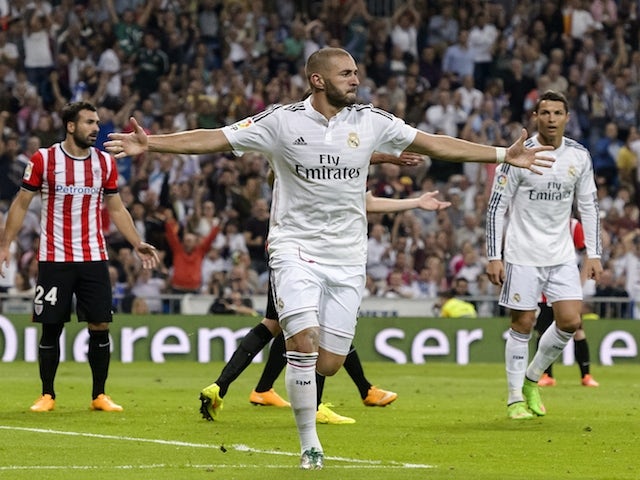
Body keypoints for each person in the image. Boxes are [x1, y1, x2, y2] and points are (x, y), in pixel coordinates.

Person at [106, 47, 553, 469]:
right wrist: (154, 144)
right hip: (294, 248)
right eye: (347, 73)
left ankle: (296, 394)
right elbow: (217, 139)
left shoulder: (371, 121)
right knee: (302, 342)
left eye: (356, 72)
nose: (356, 79)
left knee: (330, 362)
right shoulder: (281, 121)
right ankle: (310, 445)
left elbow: (434, 142)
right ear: (318, 80)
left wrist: (500, 155)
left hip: (347, 256)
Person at [199, 189, 451, 427]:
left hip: (285, 251)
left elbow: (364, 200)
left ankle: (233, 387)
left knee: (277, 324)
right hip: (309, 256)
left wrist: (415, 200)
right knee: (314, 325)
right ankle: (323, 402)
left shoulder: (294, 163)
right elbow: (365, 202)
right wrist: (410, 194)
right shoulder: (326, 165)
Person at [0, 101, 159, 413]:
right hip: (54, 257)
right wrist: (6, 244)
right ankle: (48, 394)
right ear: (70, 126)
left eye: (96, 122)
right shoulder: (44, 159)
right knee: (52, 326)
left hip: (94, 258)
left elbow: (116, 207)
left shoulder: (105, 163)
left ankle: (99, 395)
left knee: (100, 325)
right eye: (89, 122)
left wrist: (136, 241)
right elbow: (20, 203)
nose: (96, 128)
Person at [485, 90, 602, 421]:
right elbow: (496, 206)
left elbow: (589, 206)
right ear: (535, 117)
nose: (551, 118)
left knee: (570, 321)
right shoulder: (519, 154)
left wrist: (594, 253)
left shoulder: (578, 156)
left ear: (567, 117)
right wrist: (494, 255)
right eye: (545, 112)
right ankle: (513, 399)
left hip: (562, 253)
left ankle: (531, 380)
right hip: (522, 253)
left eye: (557, 113)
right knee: (523, 322)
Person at [536, 218, 599, 388]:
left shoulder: (573, 226)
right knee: (543, 331)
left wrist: (581, 279)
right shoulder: (540, 221)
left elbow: (586, 252)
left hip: (566, 286)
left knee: (576, 329)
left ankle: (586, 375)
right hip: (544, 287)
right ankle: (546, 374)